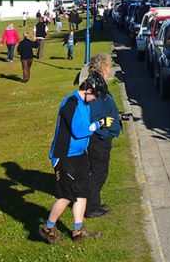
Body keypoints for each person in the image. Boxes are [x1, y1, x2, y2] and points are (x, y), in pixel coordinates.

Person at [39, 72, 112, 244]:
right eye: (94, 95)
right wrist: (100, 124)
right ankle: (48, 228)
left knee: (82, 192)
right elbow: (79, 131)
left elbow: (86, 126)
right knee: (66, 195)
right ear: (87, 89)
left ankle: (78, 230)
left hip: (79, 155)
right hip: (65, 156)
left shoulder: (85, 103)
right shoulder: (71, 104)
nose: (95, 99)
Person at [84, 54, 122, 218]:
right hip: (99, 139)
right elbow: (93, 115)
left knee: (99, 172)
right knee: (98, 173)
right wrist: (105, 133)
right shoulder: (95, 85)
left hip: (103, 136)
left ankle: (94, 203)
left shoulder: (98, 82)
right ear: (103, 67)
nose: (110, 69)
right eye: (108, 66)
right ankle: (91, 208)